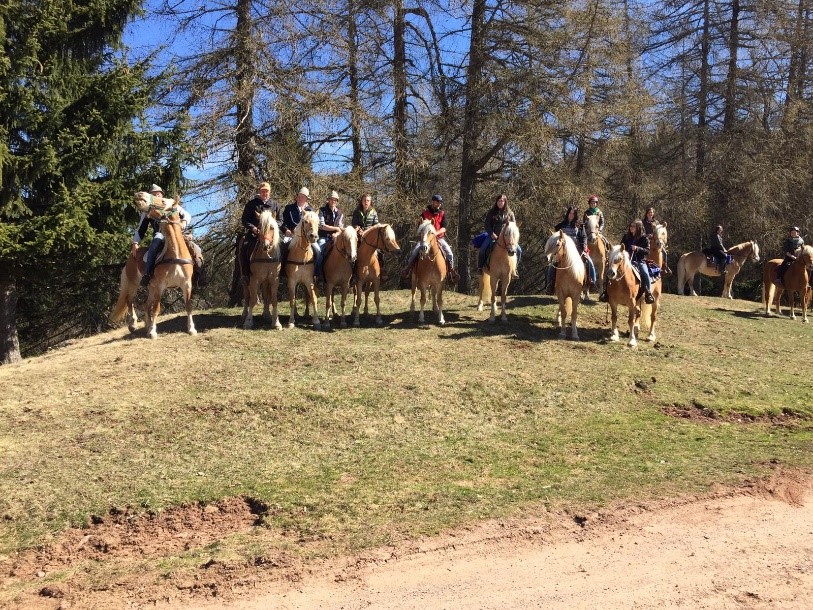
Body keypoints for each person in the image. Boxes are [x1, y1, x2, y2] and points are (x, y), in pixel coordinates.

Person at [134, 184, 191, 287]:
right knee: (154, 244)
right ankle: (147, 274)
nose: (157, 196)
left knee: (194, 247)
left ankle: (199, 273)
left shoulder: (170, 204)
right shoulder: (147, 209)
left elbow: (187, 215)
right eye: (154, 195)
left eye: (158, 194)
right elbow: (141, 228)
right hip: (160, 234)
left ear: (161, 195)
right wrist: (135, 242)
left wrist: (183, 223)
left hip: (177, 233)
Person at [400, 194, 459, 283]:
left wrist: (436, 233)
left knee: (449, 253)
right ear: (433, 202)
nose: (439, 204)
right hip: (425, 239)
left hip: (439, 238)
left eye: (440, 202)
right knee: (415, 252)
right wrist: (424, 236)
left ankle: (451, 272)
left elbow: (444, 228)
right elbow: (419, 227)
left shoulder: (442, 214)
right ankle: (408, 269)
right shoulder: (424, 213)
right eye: (437, 202)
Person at [547, 206, 596, 294]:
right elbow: (556, 237)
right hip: (563, 250)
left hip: (577, 250)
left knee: (589, 261)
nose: (571, 215)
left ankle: (592, 282)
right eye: (570, 213)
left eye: (573, 214)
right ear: (568, 213)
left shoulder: (580, 226)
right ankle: (550, 284)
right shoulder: (561, 226)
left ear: (575, 215)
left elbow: (584, 237)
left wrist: (584, 245)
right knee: (552, 265)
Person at [239, 181, 280, 282]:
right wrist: (253, 228)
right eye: (262, 191)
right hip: (255, 233)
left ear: (269, 192)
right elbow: (245, 220)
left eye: (266, 191)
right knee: (244, 246)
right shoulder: (251, 204)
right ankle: (245, 274)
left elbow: (280, 220)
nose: (264, 193)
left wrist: (273, 227)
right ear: (259, 191)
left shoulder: (275, 204)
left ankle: (281, 272)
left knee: (284, 246)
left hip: (271, 235)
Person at [477, 193, 522, 277]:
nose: (500, 203)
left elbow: (514, 227)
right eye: (498, 201)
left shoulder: (510, 213)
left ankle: (514, 269)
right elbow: (487, 225)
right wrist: (491, 233)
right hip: (493, 236)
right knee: (483, 249)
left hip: (508, 238)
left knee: (519, 250)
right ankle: (480, 268)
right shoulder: (491, 212)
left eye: (502, 201)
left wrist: (513, 239)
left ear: (505, 202)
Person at [281, 186, 320, 274]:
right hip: (291, 235)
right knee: (283, 248)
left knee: (318, 251)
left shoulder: (311, 210)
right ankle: (282, 271)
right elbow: (283, 223)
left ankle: (316, 273)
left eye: (302, 197)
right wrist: (286, 230)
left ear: (306, 199)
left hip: (307, 238)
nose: (300, 198)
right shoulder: (289, 208)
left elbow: (314, 225)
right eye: (299, 196)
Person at [352, 193, 387, 281]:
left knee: (380, 252)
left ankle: (381, 272)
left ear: (370, 202)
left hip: (371, 237)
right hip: (359, 236)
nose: (366, 202)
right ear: (361, 202)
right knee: (352, 252)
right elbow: (354, 224)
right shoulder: (356, 211)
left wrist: (367, 231)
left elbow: (376, 225)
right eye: (364, 200)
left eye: (368, 200)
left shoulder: (374, 212)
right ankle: (353, 275)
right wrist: (358, 230)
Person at [620, 219, 654, 304]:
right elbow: (621, 247)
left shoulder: (644, 238)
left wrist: (637, 248)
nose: (631, 228)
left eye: (633, 226)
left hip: (639, 261)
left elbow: (647, 251)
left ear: (638, 228)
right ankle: (607, 292)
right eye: (630, 226)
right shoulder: (626, 236)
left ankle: (648, 293)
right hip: (626, 260)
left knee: (645, 274)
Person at [642, 206, 671, 275]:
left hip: (655, 240)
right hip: (646, 240)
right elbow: (641, 232)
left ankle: (664, 267)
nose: (650, 214)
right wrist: (647, 235)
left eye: (651, 212)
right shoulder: (643, 222)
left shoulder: (656, 222)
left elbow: (660, 231)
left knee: (664, 252)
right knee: (644, 251)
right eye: (649, 213)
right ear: (646, 214)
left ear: (653, 214)